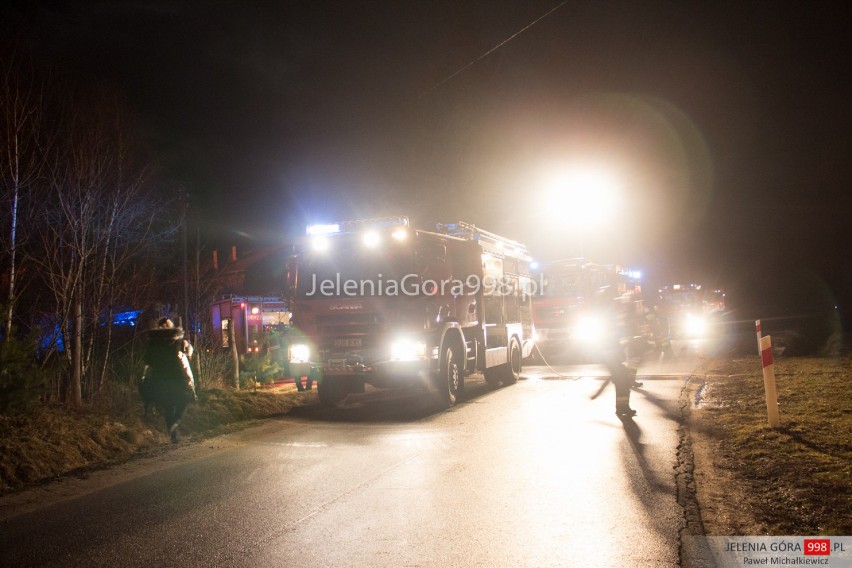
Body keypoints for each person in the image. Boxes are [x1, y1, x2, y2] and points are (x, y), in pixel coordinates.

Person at [141, 318, 197, 442]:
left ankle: (173, 435)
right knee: (185, 400)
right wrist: (190, 382)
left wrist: (144, 379)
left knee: (168, 406)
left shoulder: (153, 342)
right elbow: (184, 362)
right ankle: (176, 423)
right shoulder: (177, 340)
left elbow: (147, 363)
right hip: (177, 377)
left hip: (159, 378)